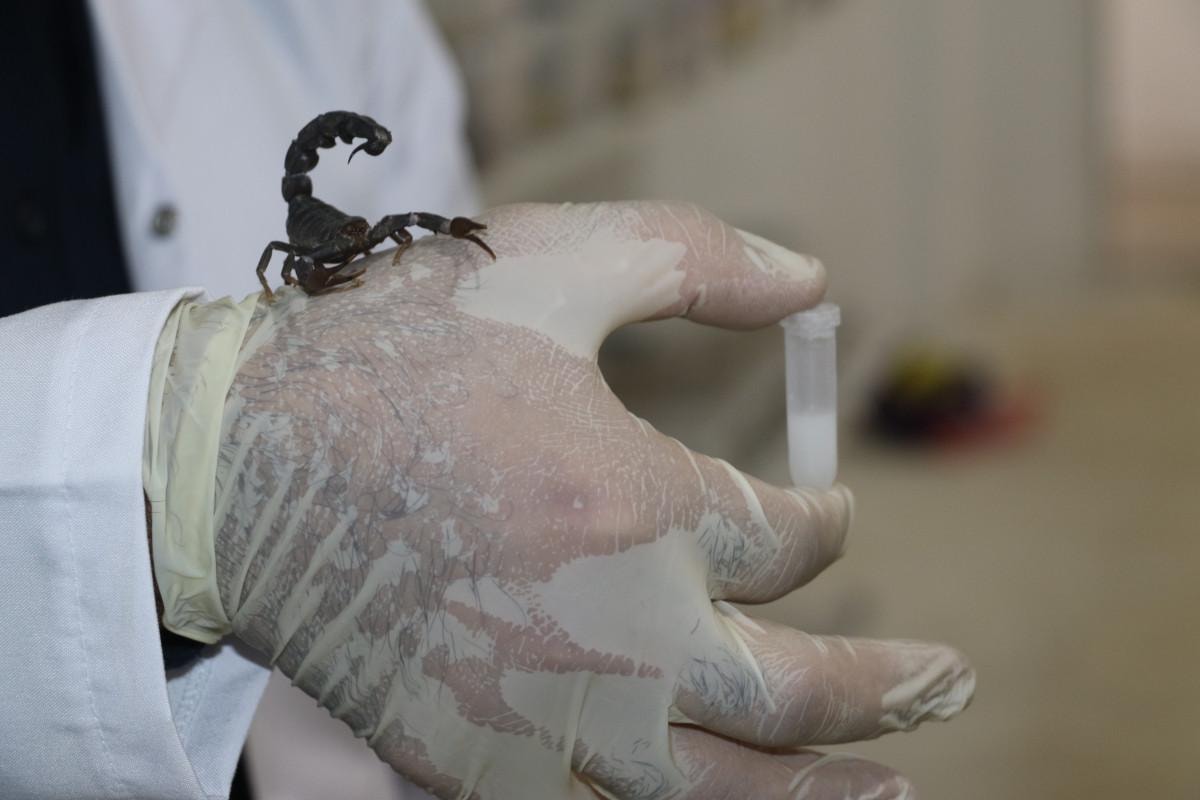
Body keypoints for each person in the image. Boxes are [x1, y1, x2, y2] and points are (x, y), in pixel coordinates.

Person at [0, 5, 975, 800]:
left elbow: (448, 320)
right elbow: (283, 267)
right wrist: (184, 456)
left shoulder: (331, 22)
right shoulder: (297, 246)